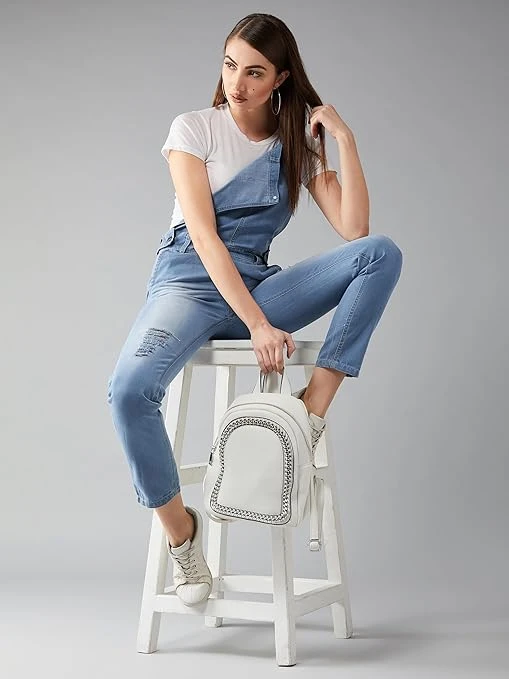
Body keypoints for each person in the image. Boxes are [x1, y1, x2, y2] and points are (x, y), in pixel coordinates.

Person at [107, 13, 403, 606]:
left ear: (281, 79)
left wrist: (345, 141)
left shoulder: (297, 148)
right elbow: (204, 236)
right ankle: (181, 537)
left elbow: (356, 230)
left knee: (380, 254)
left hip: (256, 284)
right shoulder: (194, 128)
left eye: (255, 72)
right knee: (129, 391)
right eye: (230, 65)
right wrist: (258, 324)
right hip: (190, 283)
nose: (237, 83)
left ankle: (310, 410)